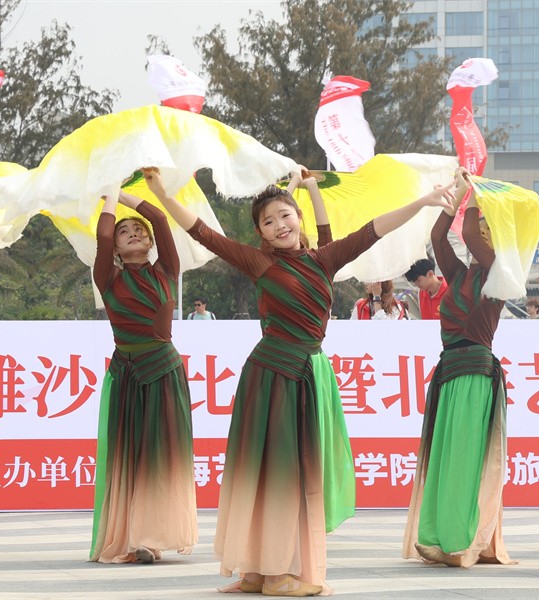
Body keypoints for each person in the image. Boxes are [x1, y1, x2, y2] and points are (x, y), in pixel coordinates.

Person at [147, 166, 456, 596]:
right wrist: (163, 195)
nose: (279, 225)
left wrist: (423, 201)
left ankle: (273, 570)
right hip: (268, 377)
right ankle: (263, 573)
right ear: (260, 233)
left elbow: (375, 228)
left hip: (300, 378)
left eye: (284, 215)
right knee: (265, 475)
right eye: (268, 222)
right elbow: (203, 232)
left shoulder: (324, 259)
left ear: (298, 217)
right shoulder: (260, 262)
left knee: (288, 477)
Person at [403, 167, 514, 569]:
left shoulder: (500, 272)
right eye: (481, 224)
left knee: (466, 459)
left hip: (475, 376)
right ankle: (439, 534)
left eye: (488, 227)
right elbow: (438, 238)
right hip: (449, 374)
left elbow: (468, 235)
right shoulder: (459, 274)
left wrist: (473, 193)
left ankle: (462, 540)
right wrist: (456, 200)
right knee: (445, 457)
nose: (481, 232)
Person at [88, 181, 197, 564]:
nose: (133, 233)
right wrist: (110, 197)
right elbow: (102, 236)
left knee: (161, 457)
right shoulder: (108, 278)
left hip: (164, 373)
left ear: (150, 243)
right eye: (125, 232)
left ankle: (152, 538)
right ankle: (133, 536)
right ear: (116, 249)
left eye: (139, 231)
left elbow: (160, 219)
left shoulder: (167, 270)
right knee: (130, 458)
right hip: (127, 375)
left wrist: (125, 194)